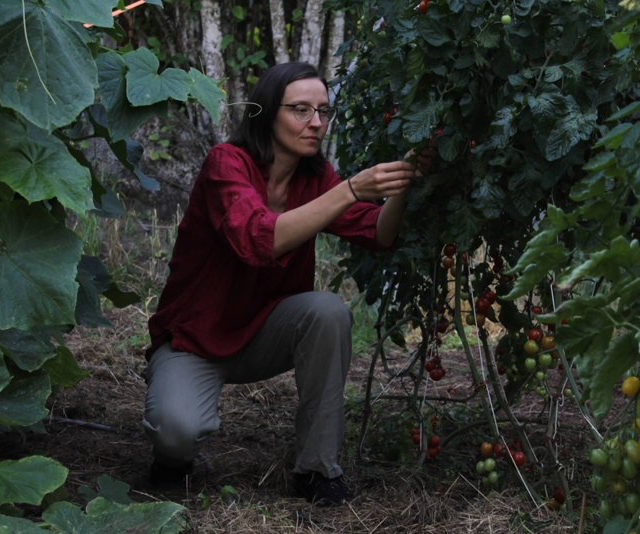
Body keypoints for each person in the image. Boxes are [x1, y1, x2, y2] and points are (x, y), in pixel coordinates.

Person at [143, 62, 430, 507]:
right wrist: (352, 189)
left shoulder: (316, 178)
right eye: (300, 109)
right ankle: (171, 457)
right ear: (265, 113)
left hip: (263, 333)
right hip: (193, 339)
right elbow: (257, 239)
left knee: (328, 310)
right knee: (177, 435)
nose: (316, 122)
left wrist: (404, 184)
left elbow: (379, 234)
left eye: (323, 111)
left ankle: (317, 471)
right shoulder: (227, 163)